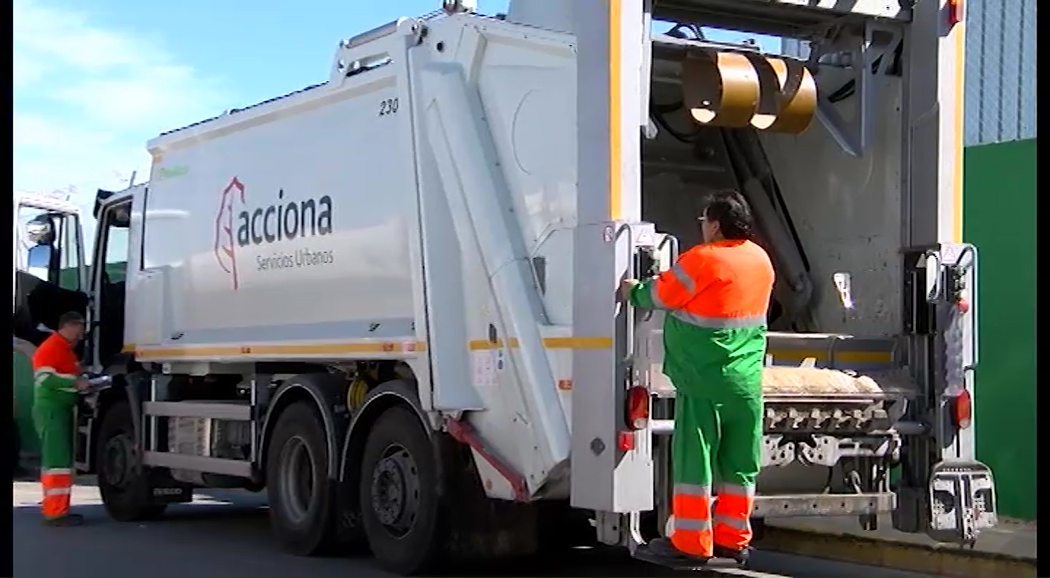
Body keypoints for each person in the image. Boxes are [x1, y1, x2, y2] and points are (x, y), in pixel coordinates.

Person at [621, 189, 775, 565]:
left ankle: (692, 544)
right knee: (739, 463)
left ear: (716, 223)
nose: (702, 227)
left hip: (704, 379)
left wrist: (633, 290)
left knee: (696, 461)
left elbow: (660, 294)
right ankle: (733, 539)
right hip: (747, 379)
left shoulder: (703, 260)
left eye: (703, 220)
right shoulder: (760, 260)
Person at [32, 311, 92, 526]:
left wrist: (81, 379)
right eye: (81, 326)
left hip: (61, 410)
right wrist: (76, 383)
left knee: (61, 462)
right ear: (70, 326)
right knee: (57, 462)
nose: (83, 332)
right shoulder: (52, 348)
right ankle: (55, 512)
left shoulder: (65, 350)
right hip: (52, 410)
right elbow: (46, 379)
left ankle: (58, 509)